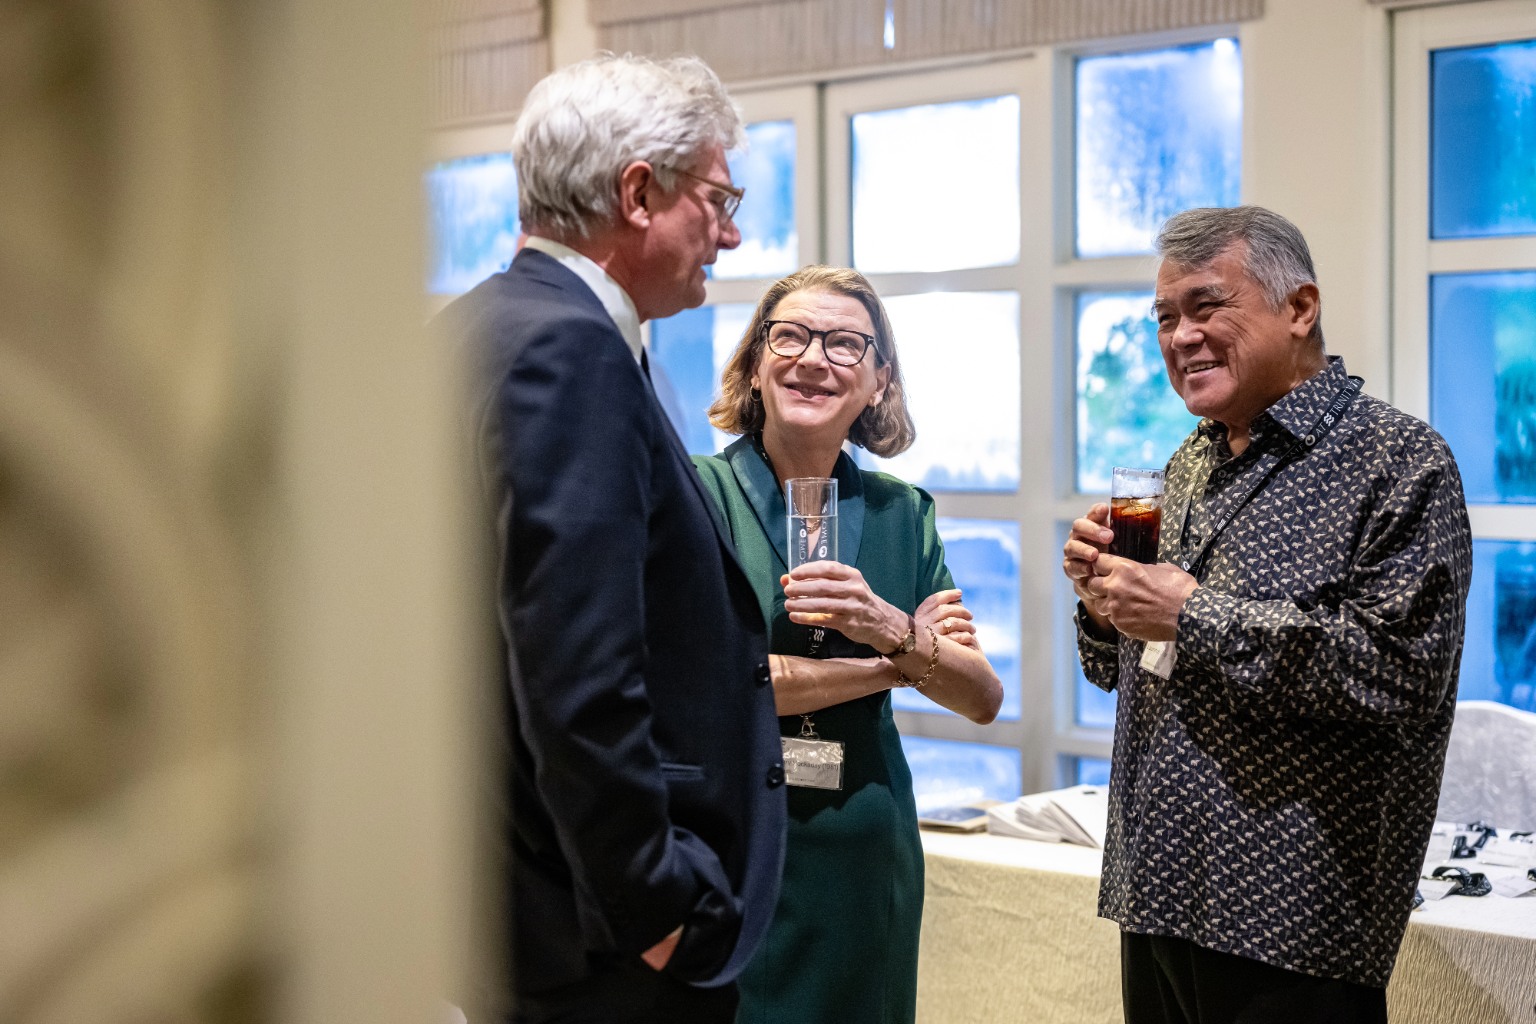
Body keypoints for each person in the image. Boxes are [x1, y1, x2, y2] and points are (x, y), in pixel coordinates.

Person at [1062, 206, 1473, 1024]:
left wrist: (1191, 615)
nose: (1181, 336)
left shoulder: (1398, 462)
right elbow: (1123, 671)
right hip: (1157, 890)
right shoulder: (1183, 464)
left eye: (1207, 306)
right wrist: (1106, 608)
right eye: (1165, 318)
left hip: (1292, 923)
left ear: (1300, 308)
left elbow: (1398, 675)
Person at [441, 55, 786, 1024]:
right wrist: (654, 902)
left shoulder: (478, 327)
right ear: (639, 192)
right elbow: (575, 663)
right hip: (599, 934)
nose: (734, 231)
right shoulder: (572, 346)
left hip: (512, 894)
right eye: (718, 197)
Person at [692, 265, 1004, 1024]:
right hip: (741, 855)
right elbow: (718, 684)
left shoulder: (905, 512)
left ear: (877, 383)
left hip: (869, 858)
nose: (812, 358)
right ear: (756, 368)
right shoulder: (698, 495)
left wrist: (886, 623)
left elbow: (982, 697)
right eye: (790, 335)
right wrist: (899, 659)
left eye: (844, 344)